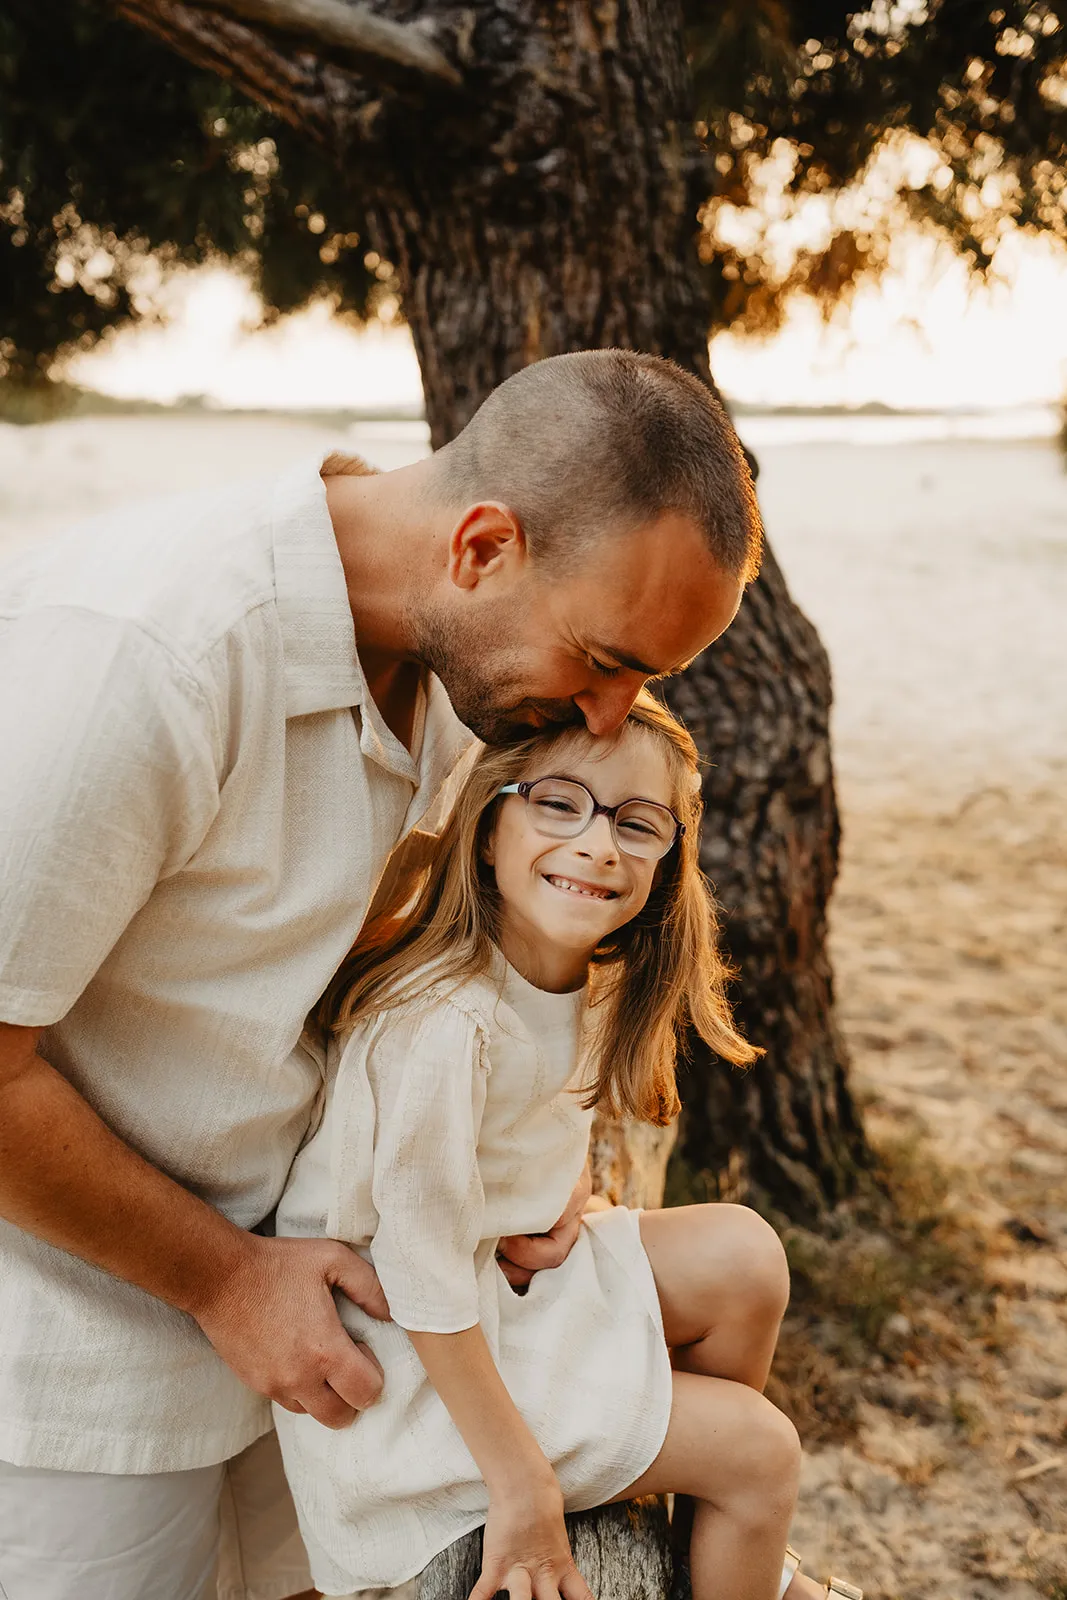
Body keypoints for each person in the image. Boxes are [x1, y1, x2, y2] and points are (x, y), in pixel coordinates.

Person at [0, 350, 761, 1600]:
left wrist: (522, 1158)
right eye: (602, 657)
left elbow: (344, 978)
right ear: (479, 548)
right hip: (72, 1358)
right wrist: (222, 1278)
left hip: (319, 1317)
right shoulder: (155, 656)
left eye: (646, 682)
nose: (613, 715)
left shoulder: (465, 667)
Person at [274, 692, 862, 1600]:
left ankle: (696, 1527)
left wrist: (557, 1185)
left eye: (638, 823)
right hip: (406, 1372)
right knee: (760, 1449)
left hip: (498, 1293)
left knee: (745, 1255)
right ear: (485, 826)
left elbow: (522, 1125)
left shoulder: (573, 971)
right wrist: (525, 1487)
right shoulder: (442, 1025)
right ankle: (728, 1516)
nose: (597, 844)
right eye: (558, 804)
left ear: (669, 859)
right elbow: (420, 1274)